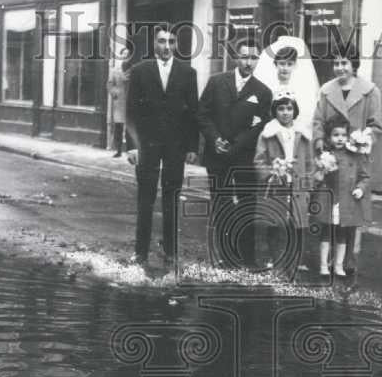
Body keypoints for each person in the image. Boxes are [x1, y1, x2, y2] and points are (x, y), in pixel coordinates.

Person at [126, 24, 198, 271]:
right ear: (154, 44)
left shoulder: (188, 73)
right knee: (145, 198)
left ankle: (171, 252)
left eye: (171, 42)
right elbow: (131, 111)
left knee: (172, 198)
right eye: (161, 41)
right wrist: (132, 146)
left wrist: (191, 146)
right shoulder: (139, 71)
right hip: (147, 145)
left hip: (176, 146)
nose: (166, 47)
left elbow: (193, 113)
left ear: (176, 44)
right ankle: (140, 252)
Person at [197, 40, 272, 268]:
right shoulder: (217, 82)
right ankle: (224, 254)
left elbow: (260, 126)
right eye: (245, 57)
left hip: (244, 157)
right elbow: (202, 113)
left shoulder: (262, 91)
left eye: (253, 57)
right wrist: (214, 138)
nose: (249, 62)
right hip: (216, 154)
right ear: (236, 58)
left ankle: (246, 257)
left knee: (247, 205)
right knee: (221, 202)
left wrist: (237, 144)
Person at [312, 43, 382, 273]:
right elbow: (318, 121)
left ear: (354, 65)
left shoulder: (370, 91)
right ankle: (326, 261)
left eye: (344, 63)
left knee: (351, 211)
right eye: (336, 63)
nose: (339, 68)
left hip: (355, 159)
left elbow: (376, 125)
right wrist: (320, 142)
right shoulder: (326, 90)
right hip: (332, 158)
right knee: (329, 211)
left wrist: (363, 139)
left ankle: (347, 260)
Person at [253, 94, 313, 273]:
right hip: (276, 185)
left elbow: (310, 163)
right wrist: (272, 171)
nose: (285, 113)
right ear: (274, 111)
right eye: (281, 109)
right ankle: (274, 258)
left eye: (289, 109)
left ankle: (292, 261)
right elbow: (259, 160)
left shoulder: (302, 134)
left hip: (296, 185)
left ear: (295, 111)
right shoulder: (267, 134)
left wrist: (308, 187)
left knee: (295, 224)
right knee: (275, 223)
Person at [311, 119, 372, 279]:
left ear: (348, 137)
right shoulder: (325, 155)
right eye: (335, 135)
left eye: (343, 135)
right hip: (328, 199)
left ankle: (338, 265)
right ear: (328, 137)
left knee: (342, 233)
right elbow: (316, 176)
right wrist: (320, 174)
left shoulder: (355, 155)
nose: (339, 138)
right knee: (326, 232)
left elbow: (365, 176)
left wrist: (360, 188)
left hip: (347, 201)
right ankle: (324, 264)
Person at [253, 36, 319, 133]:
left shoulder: (301, 89)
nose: (285, 68)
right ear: (275, 64)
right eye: (282, 64)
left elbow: (305, 115)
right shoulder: (268, 87)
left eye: (289, 64)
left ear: (295, 65)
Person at [107, 45, 131, 158]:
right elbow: (109, 84)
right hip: (119, 101)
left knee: (130, 127)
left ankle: (131, 150)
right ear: (120, 56)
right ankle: (119, 150)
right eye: (123, 54)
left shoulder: (133, 69)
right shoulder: (115, 70)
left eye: (127, 54)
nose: (125, 56)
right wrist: (114, 93)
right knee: (119, 127)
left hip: (131, 100)